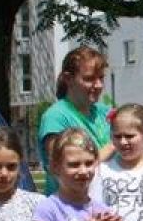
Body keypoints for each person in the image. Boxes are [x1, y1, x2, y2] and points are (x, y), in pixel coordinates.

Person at [37, 46, 114, 195]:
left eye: (101, 78)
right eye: (89, 79)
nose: (98, 85)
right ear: (68, 79)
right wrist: (114, 145)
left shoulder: (105, 112)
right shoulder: (56, 117)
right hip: (68, 204)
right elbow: (62, 167)